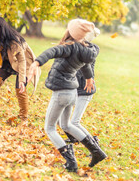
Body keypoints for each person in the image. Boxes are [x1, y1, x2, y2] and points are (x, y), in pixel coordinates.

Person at [27, 19, 107, 172]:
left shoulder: (68, 47)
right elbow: (86, 66)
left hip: (62, 92)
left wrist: (36, 62)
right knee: (66, 125)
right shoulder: (84, 50)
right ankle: (97, 152)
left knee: (50, 128)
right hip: (71, 92)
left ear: (72, 32)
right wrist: (89, 78)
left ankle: (71, 162)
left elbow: (52, 52)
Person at [60, 26, 101, 146]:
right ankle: (74, 138)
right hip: (74, 88)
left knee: (74, 122)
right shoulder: (77, 46)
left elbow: (85, 61)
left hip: (85, 89)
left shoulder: (91, 49)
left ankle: (94, 144)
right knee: (61, 119)